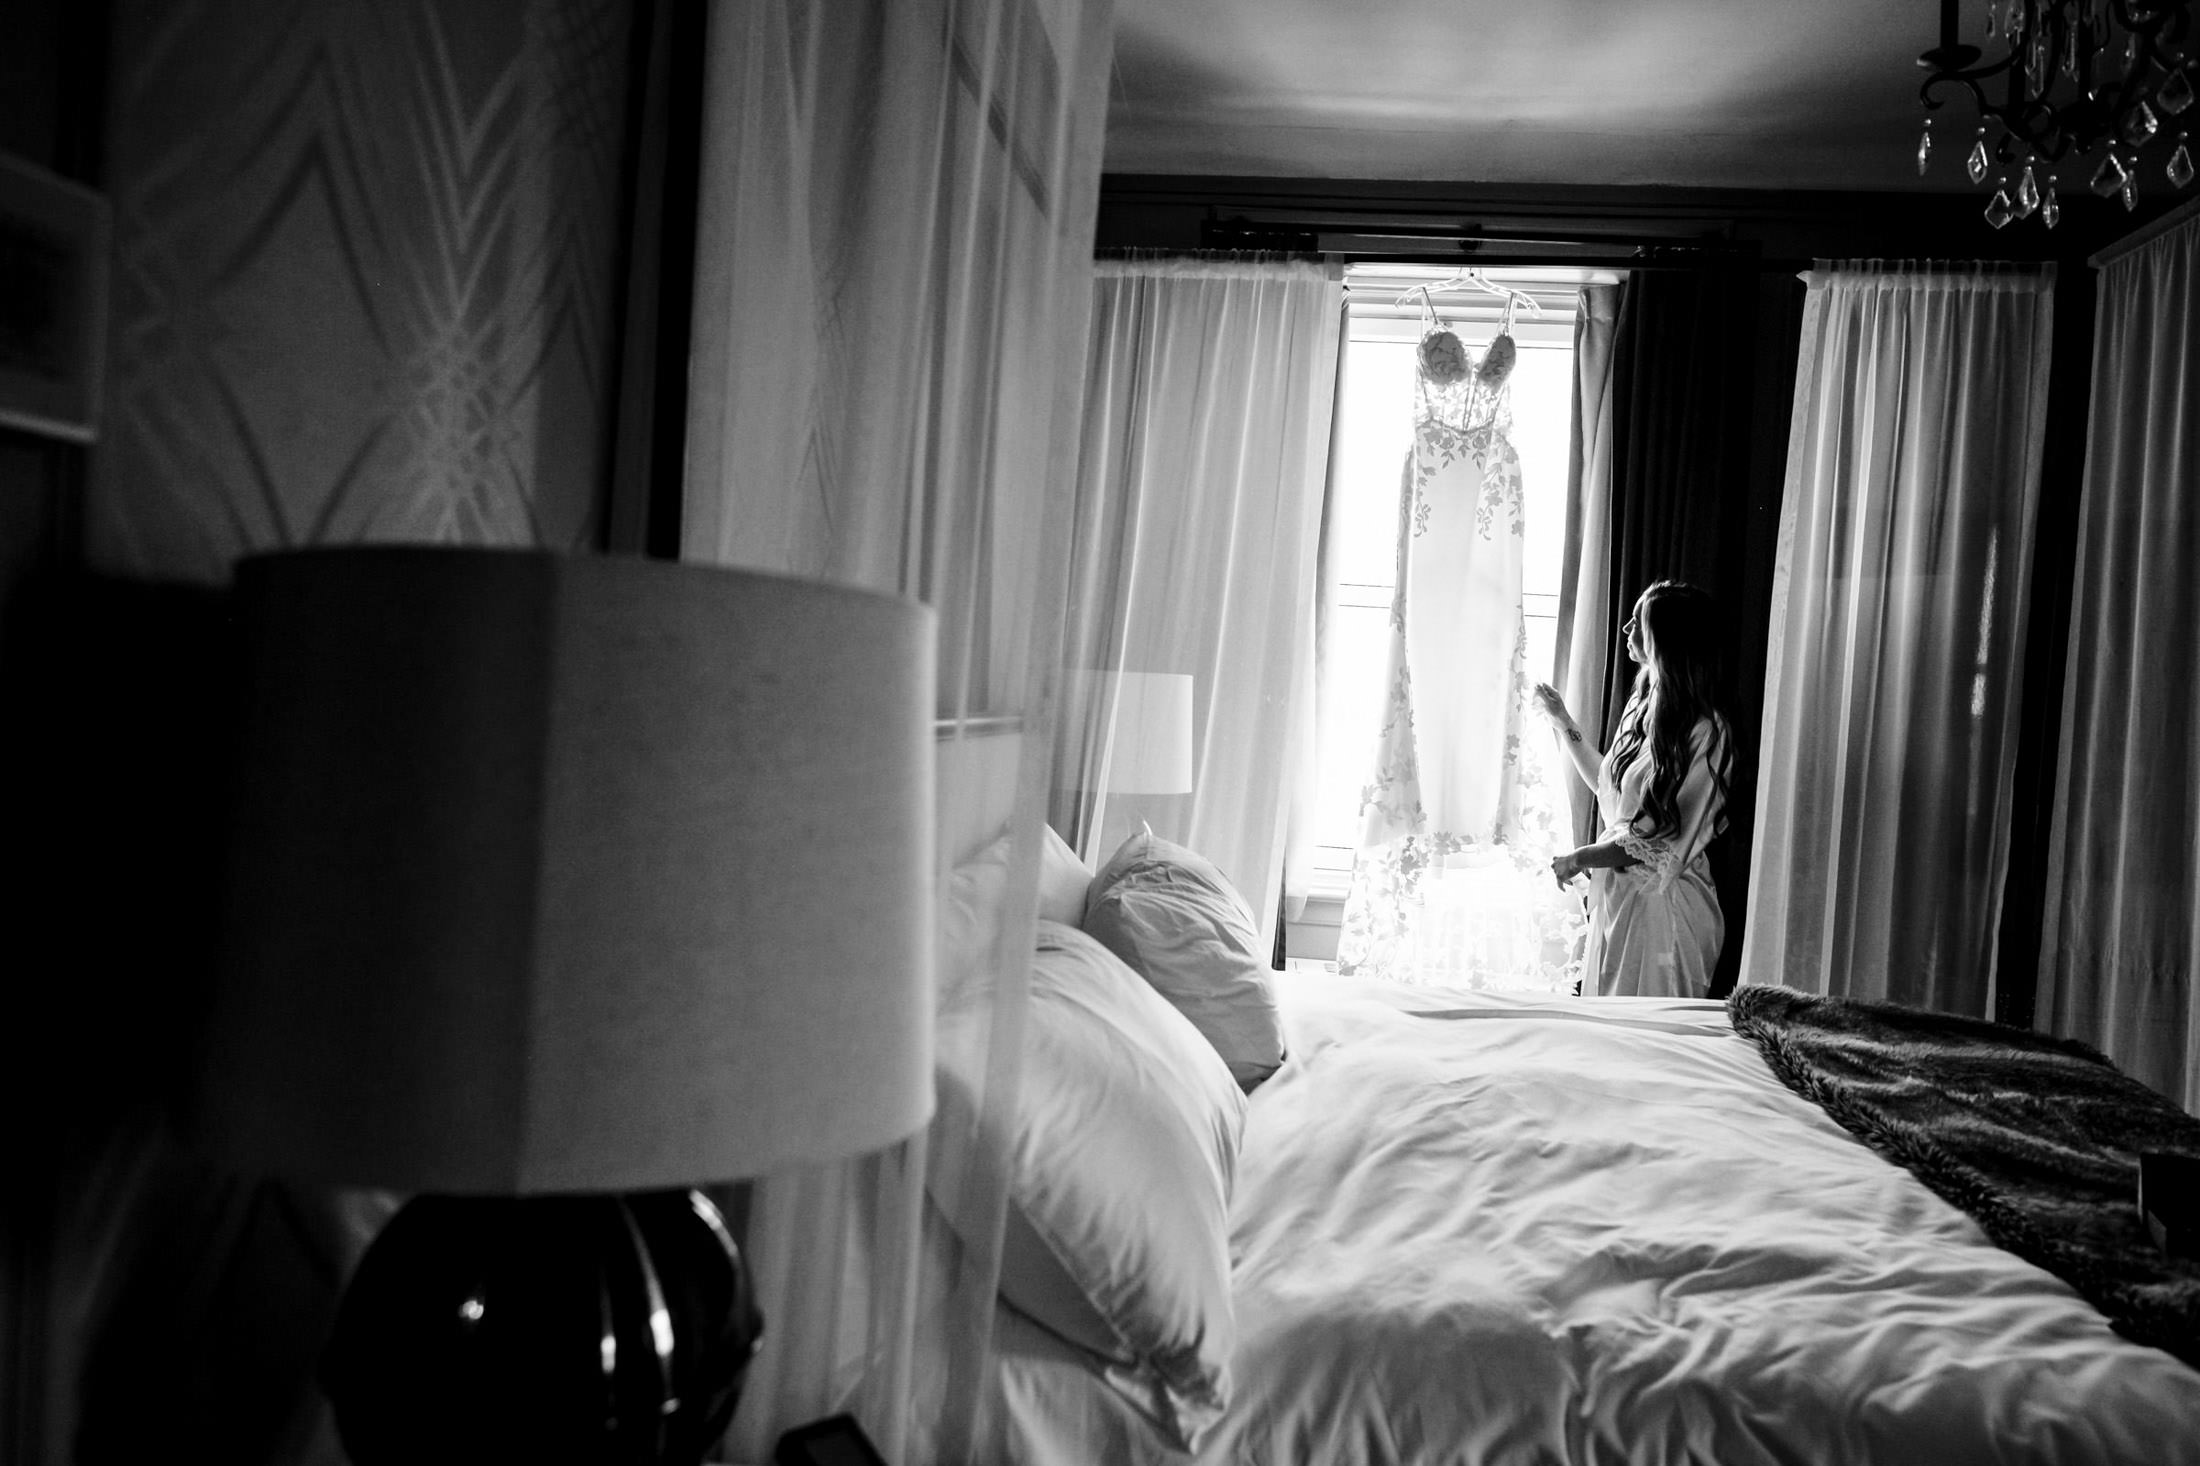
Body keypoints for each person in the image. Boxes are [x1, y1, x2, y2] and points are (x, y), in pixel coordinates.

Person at [1531, 580, 1733, 998]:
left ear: (1664, 639)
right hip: (1623, 900)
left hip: (1665, 907)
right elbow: (1609, 791)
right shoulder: (1641, 711)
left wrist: (1582, 856)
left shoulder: (1708, 734)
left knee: (1652, 1034)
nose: (1625, 629)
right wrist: (1562, 721)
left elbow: (1659, 842)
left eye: (1637, 621)